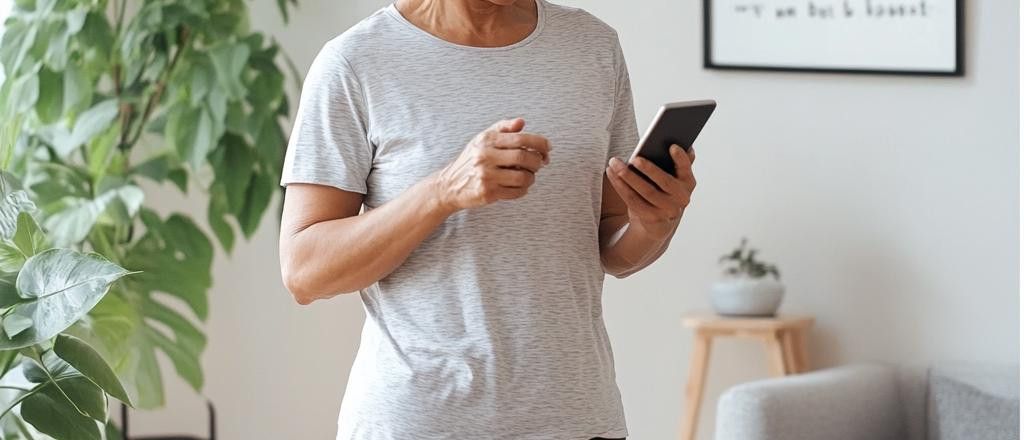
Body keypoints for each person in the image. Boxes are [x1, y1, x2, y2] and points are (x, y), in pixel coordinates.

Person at [278, 0, 697, 438]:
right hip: (422, 423)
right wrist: (441, 192)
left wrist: (654, 223)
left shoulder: (594, 47)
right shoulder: (356, 61)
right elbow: (305, 271)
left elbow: (612, 244)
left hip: (577, 419)